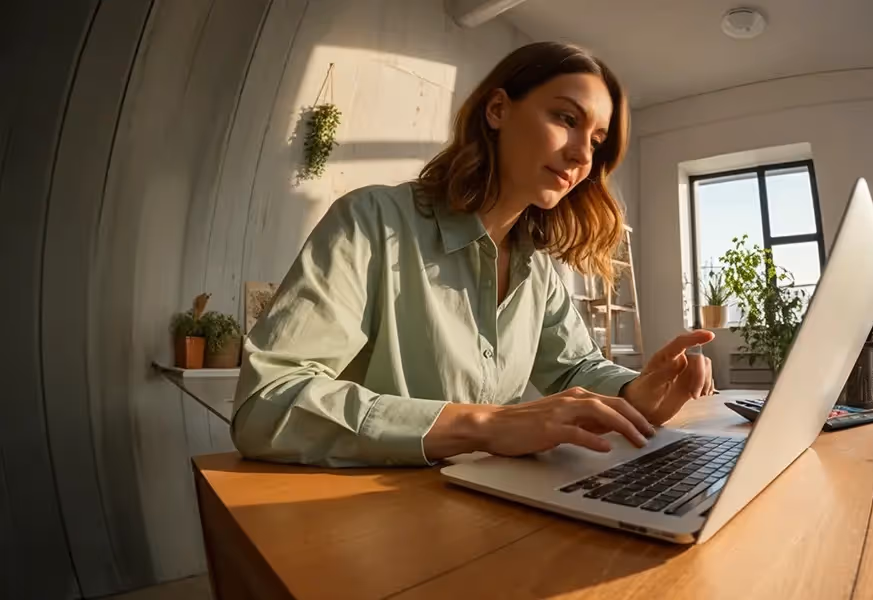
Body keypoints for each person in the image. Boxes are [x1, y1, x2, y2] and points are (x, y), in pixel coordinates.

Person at [232, 41, 714, 467]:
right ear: (498, 110)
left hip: (488, 510)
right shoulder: (371, 220)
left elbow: (574, 368)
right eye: (566, 119)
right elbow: (265, 404)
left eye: (596, 141)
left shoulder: (538, 268)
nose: (582, 156)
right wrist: (484, 425)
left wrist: (636, 391)